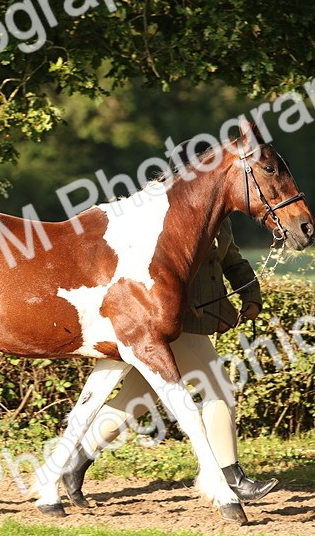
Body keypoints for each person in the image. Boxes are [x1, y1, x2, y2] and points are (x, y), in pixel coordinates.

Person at [60, 216, 278, 506]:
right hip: (172, 321)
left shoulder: (217, 216)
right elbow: (151, 263)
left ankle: (75, 462)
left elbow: (232, 259)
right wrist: (180, 299)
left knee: (137, 397)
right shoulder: (168, 211)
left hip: (195, 322)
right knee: (219, 387)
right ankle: (233, 478)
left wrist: (251, 294)